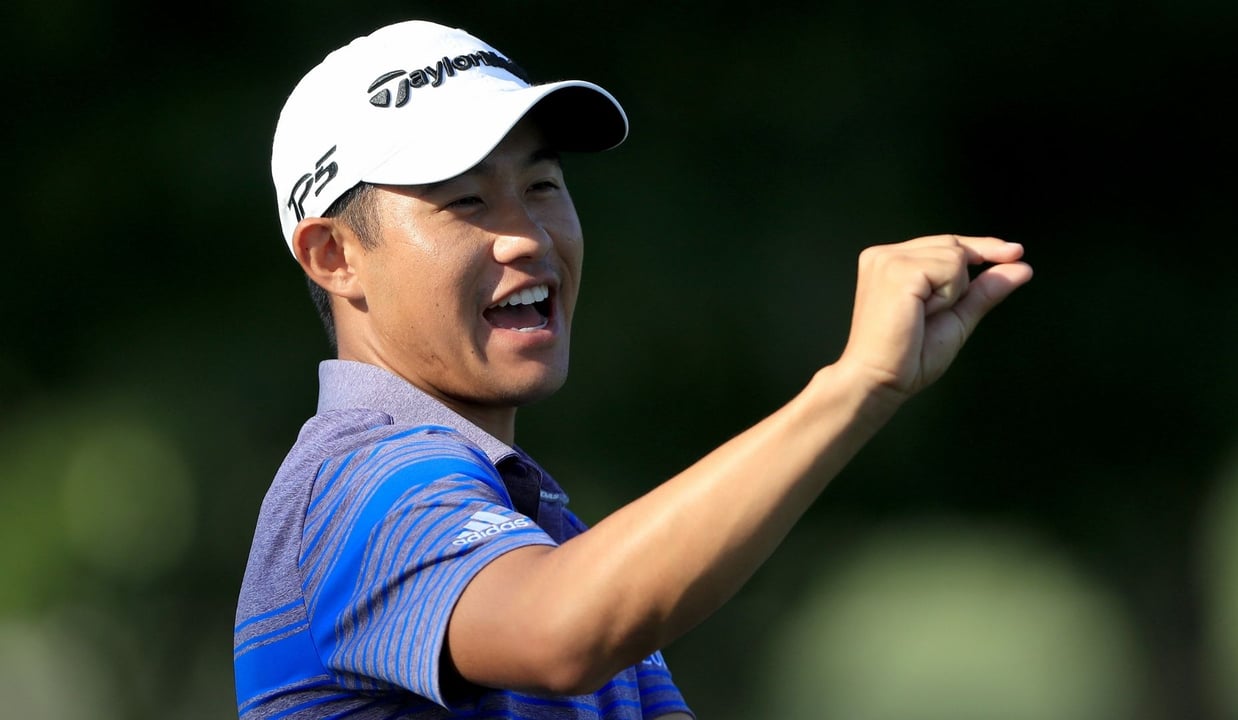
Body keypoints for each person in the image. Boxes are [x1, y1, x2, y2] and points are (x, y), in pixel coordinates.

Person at [233, 18, 1033, 720]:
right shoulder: (354, 480)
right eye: (465, 202)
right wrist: (854, 386)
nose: (528, 236)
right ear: (334, 256)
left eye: (542, 185)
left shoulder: (547, 537)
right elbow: (560, 633)